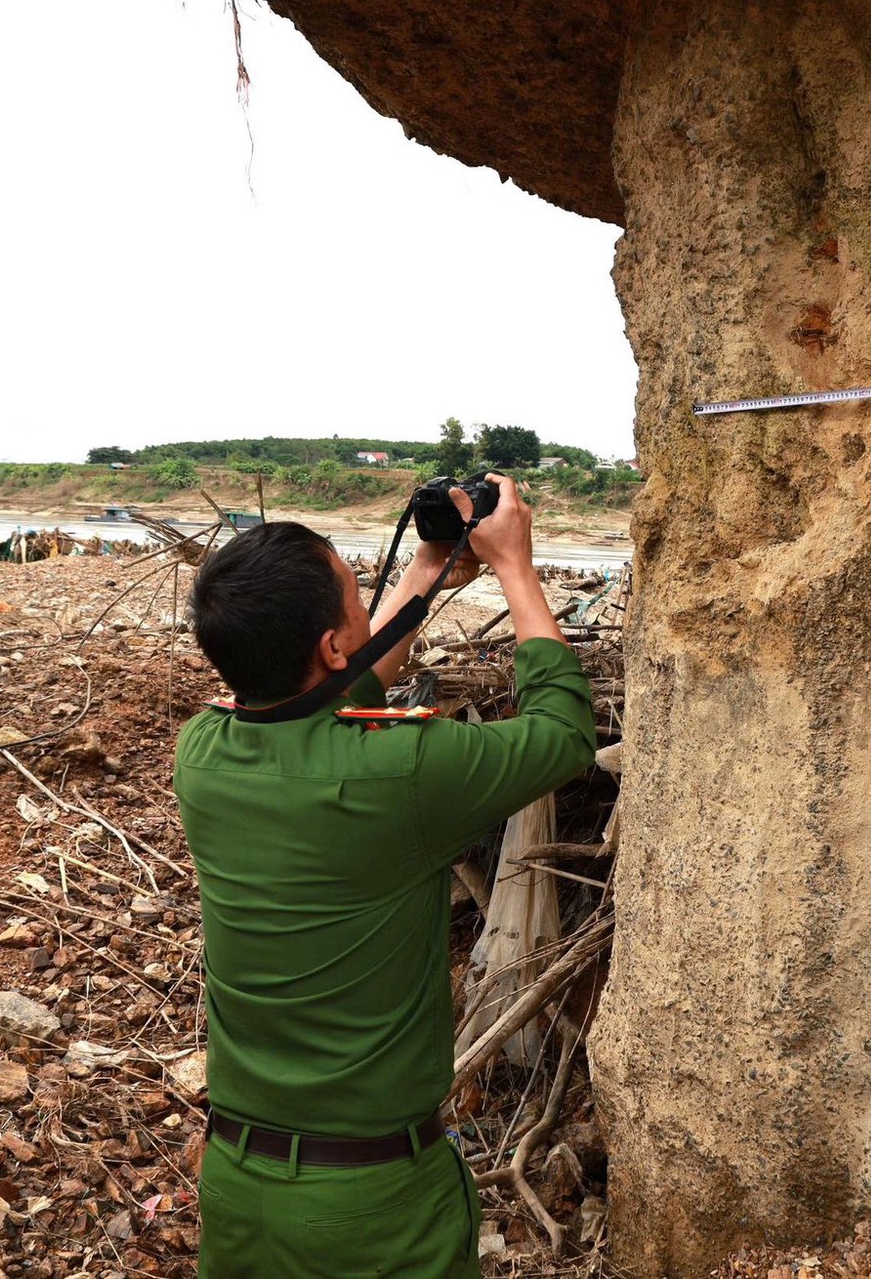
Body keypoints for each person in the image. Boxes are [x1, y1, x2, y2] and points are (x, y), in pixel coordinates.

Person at [174, 476, 596, 1277]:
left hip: (237, 1185)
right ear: (334, 644)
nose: (367, 613)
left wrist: (426, 571)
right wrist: (515, 567)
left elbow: (329, 690)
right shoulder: (401, 775)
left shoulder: (202, 753)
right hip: (375, 1207)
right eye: (355, 594)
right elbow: (563, 731)